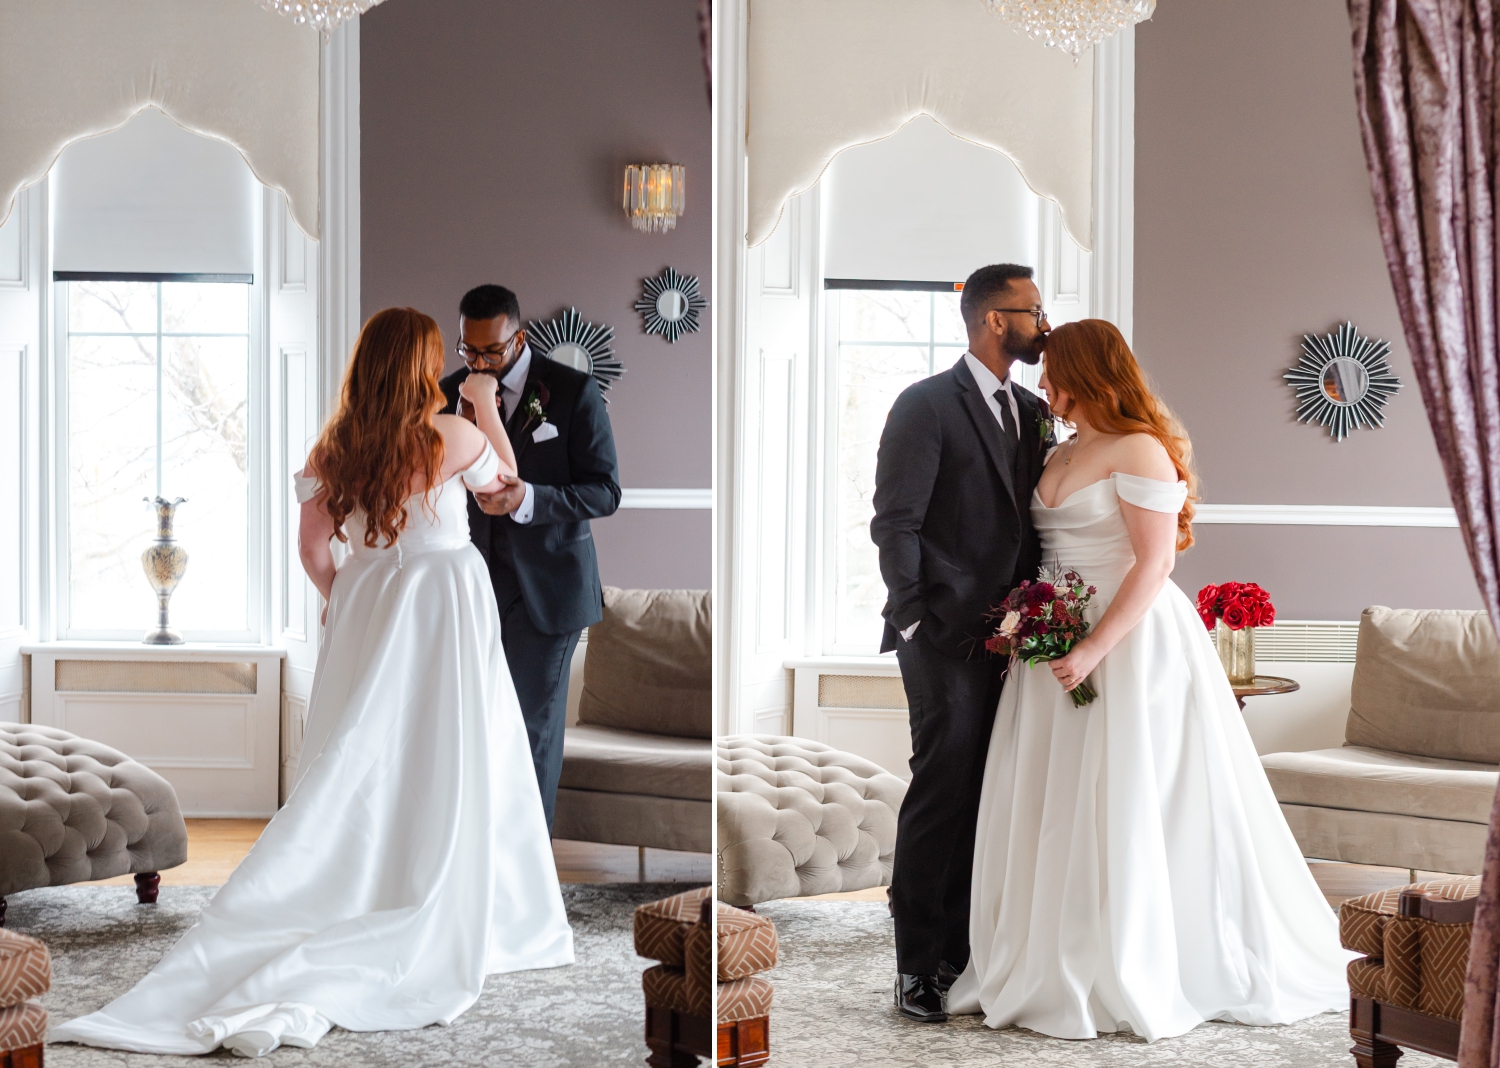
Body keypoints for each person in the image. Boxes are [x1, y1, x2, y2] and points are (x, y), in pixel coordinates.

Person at [52, 308, 574, 1057]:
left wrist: (352, 601)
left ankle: (351, 873)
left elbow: (313, 548)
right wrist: (488, 408)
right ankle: (451, 888)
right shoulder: (452, 435)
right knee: (452, 747)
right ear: (422, 367)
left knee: (363, 751)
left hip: (368, 607)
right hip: (444, 608)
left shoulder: (334, 446)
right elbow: (504, 482)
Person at [946, 319, 1351, 1039]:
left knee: (1129, 792)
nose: (1045, 386)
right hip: (1051, 636)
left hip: (1129, 642)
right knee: (1058, 797)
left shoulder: (1141, 448)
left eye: (1055, 373)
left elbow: (1154, 563)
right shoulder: (1063, 445)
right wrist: (1033, 625)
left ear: (1088, 372)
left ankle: (1131, 961)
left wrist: (1096, 648)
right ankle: (1048, 954)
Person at [870, 263, 1052, 1023]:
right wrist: (915, 617)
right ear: (992, 321)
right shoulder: (924, 405)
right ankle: (916, 966)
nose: (1045, 322)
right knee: (944, 788)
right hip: (940, 635)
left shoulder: (1038, 409)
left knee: (992, 788)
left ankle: (965, 951)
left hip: (1019, 638)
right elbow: (895, 521)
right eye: (1032, 310)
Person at [439, 285, 621, 831]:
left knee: (529, 730)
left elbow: (604, 491)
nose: (478, 362)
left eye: (490, 352)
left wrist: (530, 499)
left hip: (549, 592)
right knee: (474, 728)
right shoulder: (448, 393)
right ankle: (481, 856)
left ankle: (531, 868)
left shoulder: (571, 392)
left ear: (518, 338)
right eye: (467, 350)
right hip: (470, 590)